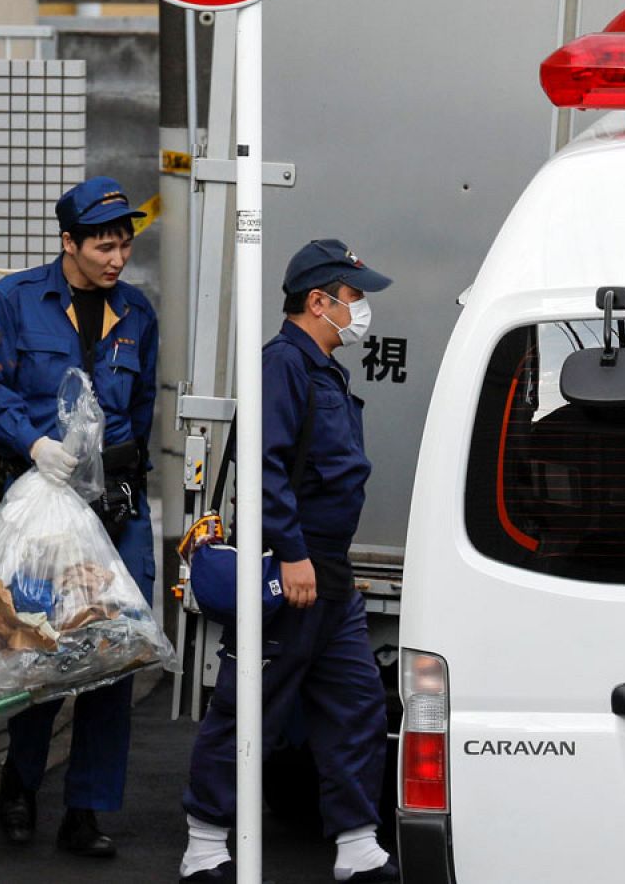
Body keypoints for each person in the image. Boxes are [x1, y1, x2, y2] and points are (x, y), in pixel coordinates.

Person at [177, 239, 397, 883]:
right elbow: (264, 467)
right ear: (318, 300)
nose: (361, 311)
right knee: (251, 706)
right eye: (355, 298)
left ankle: (357, 844)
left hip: (330, 571)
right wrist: (294, 554)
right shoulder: (283, 364)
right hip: (289, 567)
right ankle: (204, 846)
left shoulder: (324, 368)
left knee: (356, 705)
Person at [0, 176, 159, 855]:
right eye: (104, 246)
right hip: (41, 508)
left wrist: (126, 481)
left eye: (124, 245)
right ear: (69, 244)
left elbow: (141, 412)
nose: (116, 259)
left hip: (114, 510)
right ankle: (20, 785)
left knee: (115, 650)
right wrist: (35, 444)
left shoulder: (136, 313)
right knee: (37, 652)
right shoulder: (17, 300)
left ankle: (85, 810)